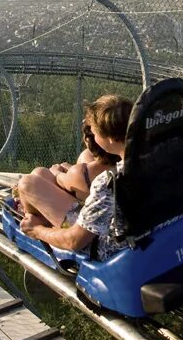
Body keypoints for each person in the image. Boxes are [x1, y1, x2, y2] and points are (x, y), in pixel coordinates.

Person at [18, 94, 131, 258]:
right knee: (43, 174)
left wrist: (37, 231)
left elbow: (75, 241)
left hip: (108, 247)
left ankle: (35, 221)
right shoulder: (160, 160)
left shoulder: (110, 182)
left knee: (27, 184)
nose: (91, 133)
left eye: (95, 131)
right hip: (142, 236)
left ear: (111, 140)